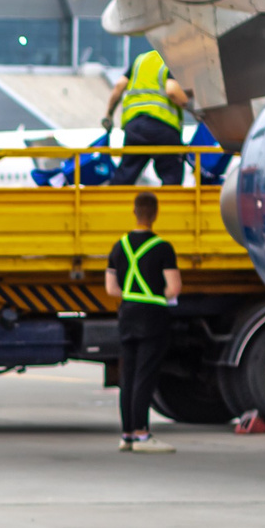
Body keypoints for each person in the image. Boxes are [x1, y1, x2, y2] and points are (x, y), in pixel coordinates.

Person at [105, 190, 182, 453]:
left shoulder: (119, 246)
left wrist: (132, 294)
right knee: (145, 374)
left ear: (134, 212)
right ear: (155, 214)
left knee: (127, 375)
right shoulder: (162, 247)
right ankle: (142, 434)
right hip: (153, 315)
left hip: (127, 313)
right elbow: (174, 287)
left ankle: (127, 434)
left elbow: (111, 289)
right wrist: (157, 294)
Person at [112, 49, 191, 186]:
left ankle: (114, 199)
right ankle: (171, 199)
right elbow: (172, 90)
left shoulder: (141, 59)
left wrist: (108, 114)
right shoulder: (172, 59)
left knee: (126, 174)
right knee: (171, 177)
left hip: (135, 125)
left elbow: (119, 86)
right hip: (163, 125)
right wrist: (193, 108)